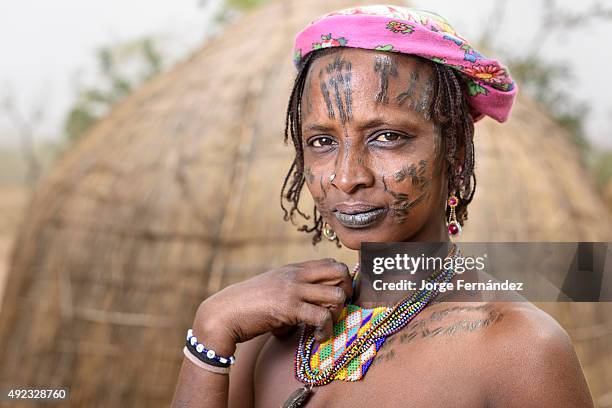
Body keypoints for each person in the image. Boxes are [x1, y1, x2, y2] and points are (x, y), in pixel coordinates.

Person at [171, 6, 594, 407]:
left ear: (457, 150)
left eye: (386, 136)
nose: (347, 175)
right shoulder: (267, 340)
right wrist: (212, 328)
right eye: (322, 142)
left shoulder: (517, 348)